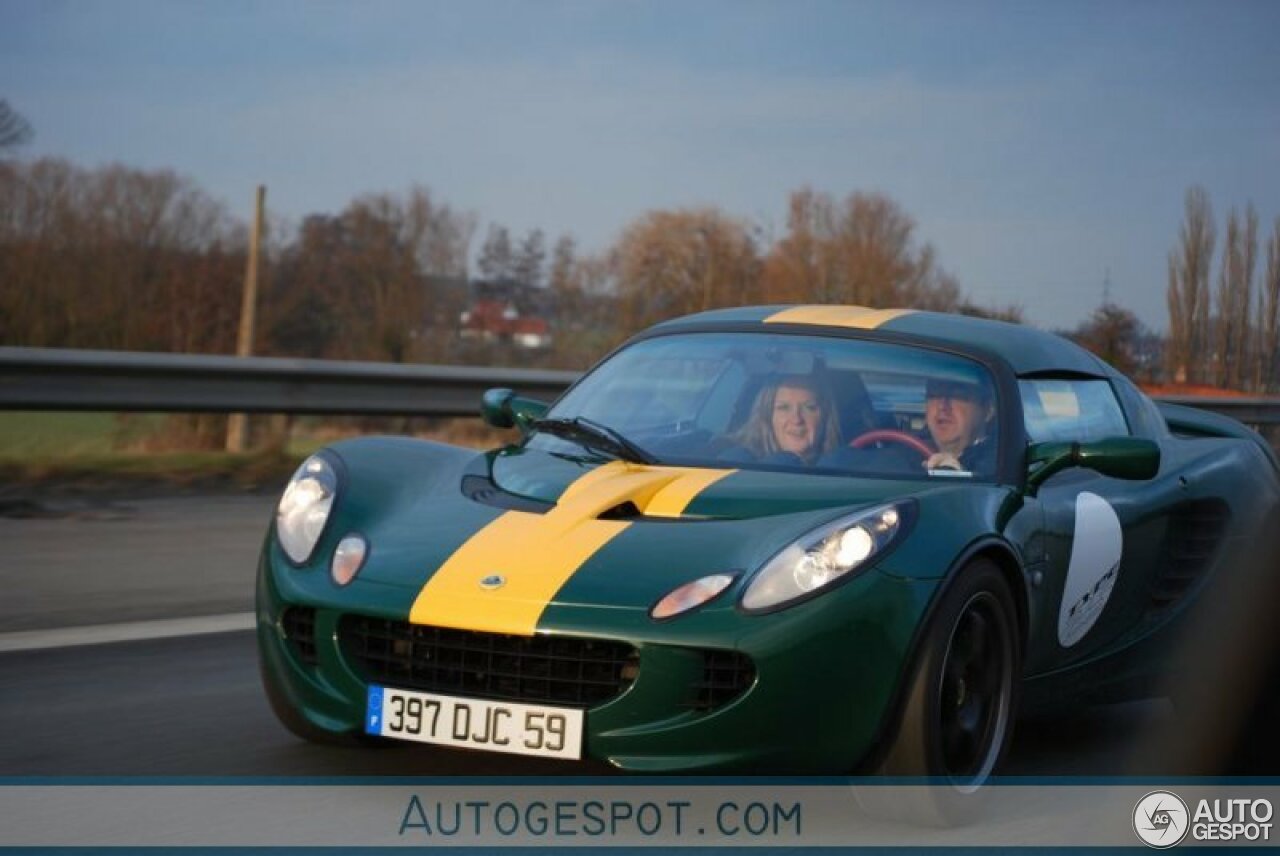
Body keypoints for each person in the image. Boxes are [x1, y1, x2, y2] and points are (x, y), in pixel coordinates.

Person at [722, 375, 841, 466]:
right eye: (784, 408)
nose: (797, 419)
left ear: (825, 416)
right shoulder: (736, 464)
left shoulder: (844, 471)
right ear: (767, 416)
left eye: (809, 408)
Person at [922, 377, 996, 474]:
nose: (942, 406)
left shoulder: (999, 464)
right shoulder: (905, 452)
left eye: (957, 395)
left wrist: (961, 478)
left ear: (988, 410)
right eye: (934, 395)